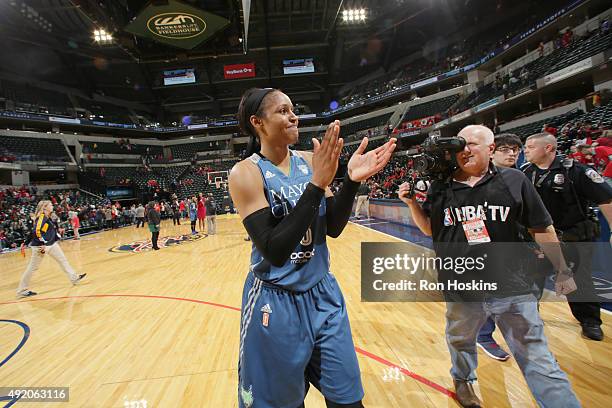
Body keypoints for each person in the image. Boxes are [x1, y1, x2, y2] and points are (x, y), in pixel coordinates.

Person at [229, 87, 396, 408]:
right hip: (275, 302)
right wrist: (317, 185)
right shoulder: (246, 173)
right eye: (282, 111)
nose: (293, 116)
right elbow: (274, 250)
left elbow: (332, 227)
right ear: (257, 122)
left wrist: (350, 180)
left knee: (348, 401)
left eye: (293, 109)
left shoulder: (309, 161)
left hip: (323, 296)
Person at [399, 125, 580, 408]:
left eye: (471, 144)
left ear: (491, 149)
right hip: (461, 287)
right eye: (460, 146)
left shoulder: (514, 179)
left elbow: (541, 228)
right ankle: (464, 381)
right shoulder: (441, 185)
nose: (464, 150)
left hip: (512, 287)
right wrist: (411, 204)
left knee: (537, 357)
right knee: (460, 340)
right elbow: (431, 231)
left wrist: (562, 269)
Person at [523, 133, 612, 341]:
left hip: (575, 236)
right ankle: (529, 316)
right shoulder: (525, 173)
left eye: (530, 146)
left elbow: (606, 199)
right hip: (541, 238)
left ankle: (590, 321)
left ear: (548, 148)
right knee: (532, 278)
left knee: (580, 280)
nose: (525, 150)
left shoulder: (576, 171)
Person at [475, 133, 523, 361]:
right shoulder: (474, 180)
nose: (512, 153)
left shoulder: (522, 177)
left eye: (515, 149)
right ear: (491, 151)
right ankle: (484, 336)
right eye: (506, 149)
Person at [16, 200, 86, 298]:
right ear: (45, 207)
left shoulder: (46, 217)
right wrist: (42, 243)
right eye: (51, 205)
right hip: (41, 246)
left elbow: (40, 231)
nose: (52, 206)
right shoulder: (41, 217)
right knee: (32, 268)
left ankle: (74, 277)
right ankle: (21, 290)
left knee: (62, 260)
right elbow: (36, 231)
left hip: (50, 244)